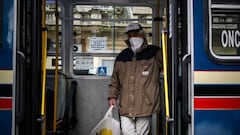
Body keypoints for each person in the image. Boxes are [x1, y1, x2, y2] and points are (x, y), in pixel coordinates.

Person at [108, 23, 163, 135]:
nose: (133, 36)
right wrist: (112, 96)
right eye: (130, 34)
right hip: (126, 104)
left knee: (142, 132)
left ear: (142, 34)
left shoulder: (155, 53)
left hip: (146, 103)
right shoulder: (122, 56)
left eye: (135, 33)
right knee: (127, 132)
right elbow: (115, 80)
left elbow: (167, 68)